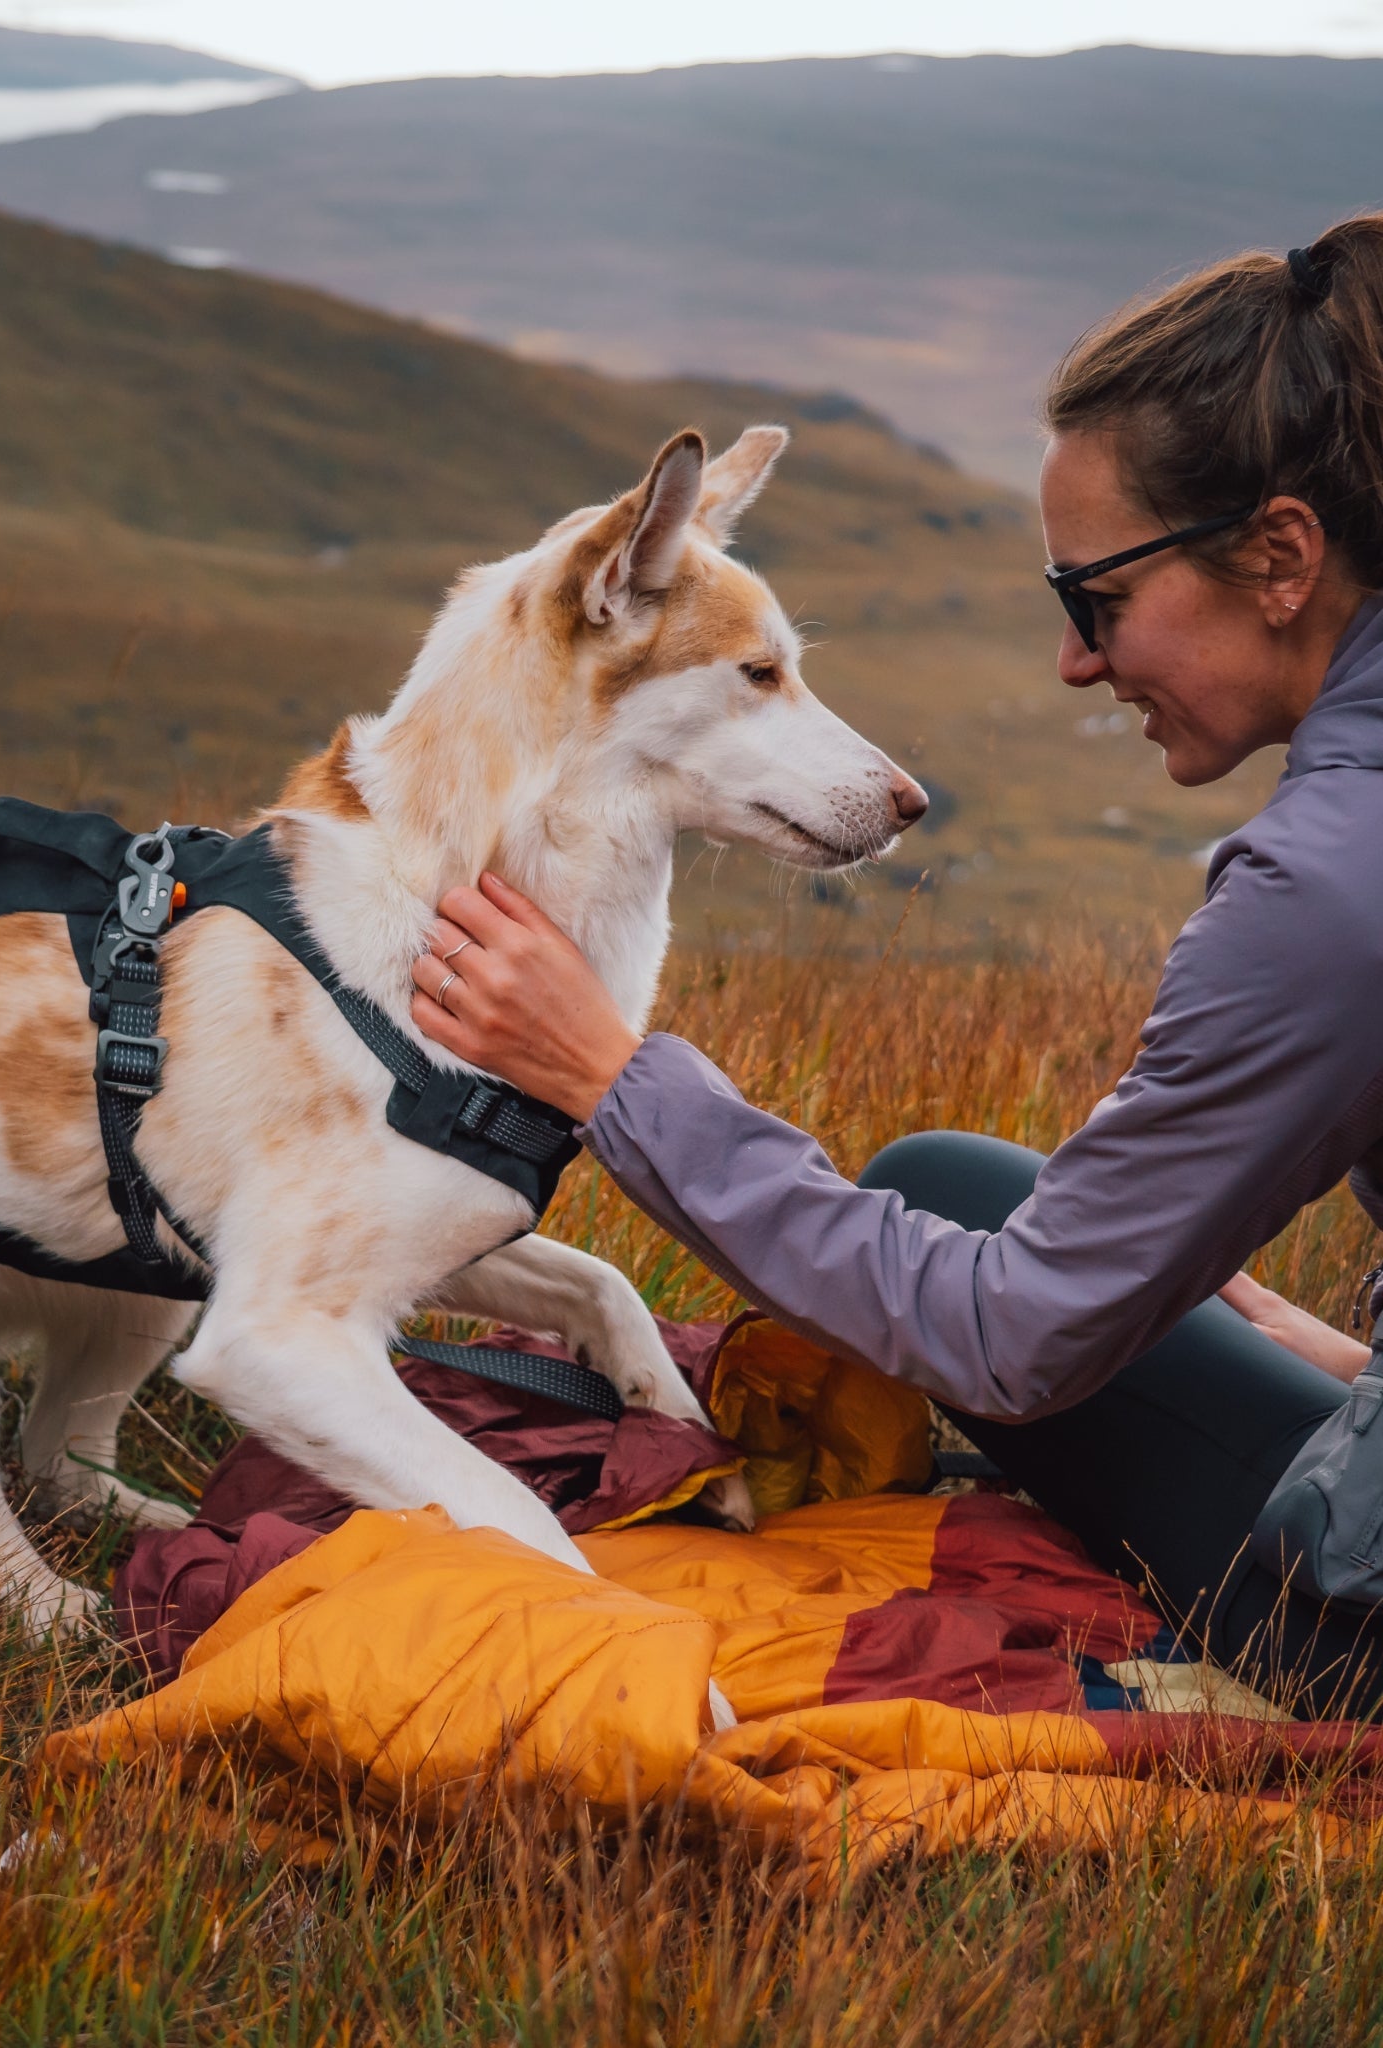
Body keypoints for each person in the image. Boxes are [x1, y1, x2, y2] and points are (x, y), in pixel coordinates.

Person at [410, 216, 1383, 1717]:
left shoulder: (1331, 887)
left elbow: (1008, 1344)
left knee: (969, 1254)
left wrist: (609, 1075)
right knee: (949, 1180)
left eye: (1096, 600)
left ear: (1280, 555)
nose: (1077, 661)